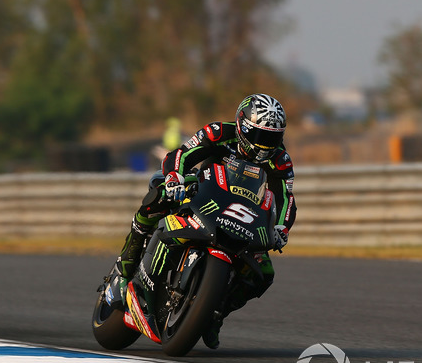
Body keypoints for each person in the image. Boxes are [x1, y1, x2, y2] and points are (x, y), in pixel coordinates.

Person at [114, 93, 297, 349]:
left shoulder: (280, 160)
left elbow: (286, 198)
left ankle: (215, 314)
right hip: (202, 192)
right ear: (243, 126)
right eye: (260, 136)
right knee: (157, 193)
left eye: (273, 138)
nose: (266, 145)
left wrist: (281, 228)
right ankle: (126, 265)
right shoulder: (218, 132)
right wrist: (175, 179)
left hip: (241, 216)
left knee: (264, 274)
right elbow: (181, 154)